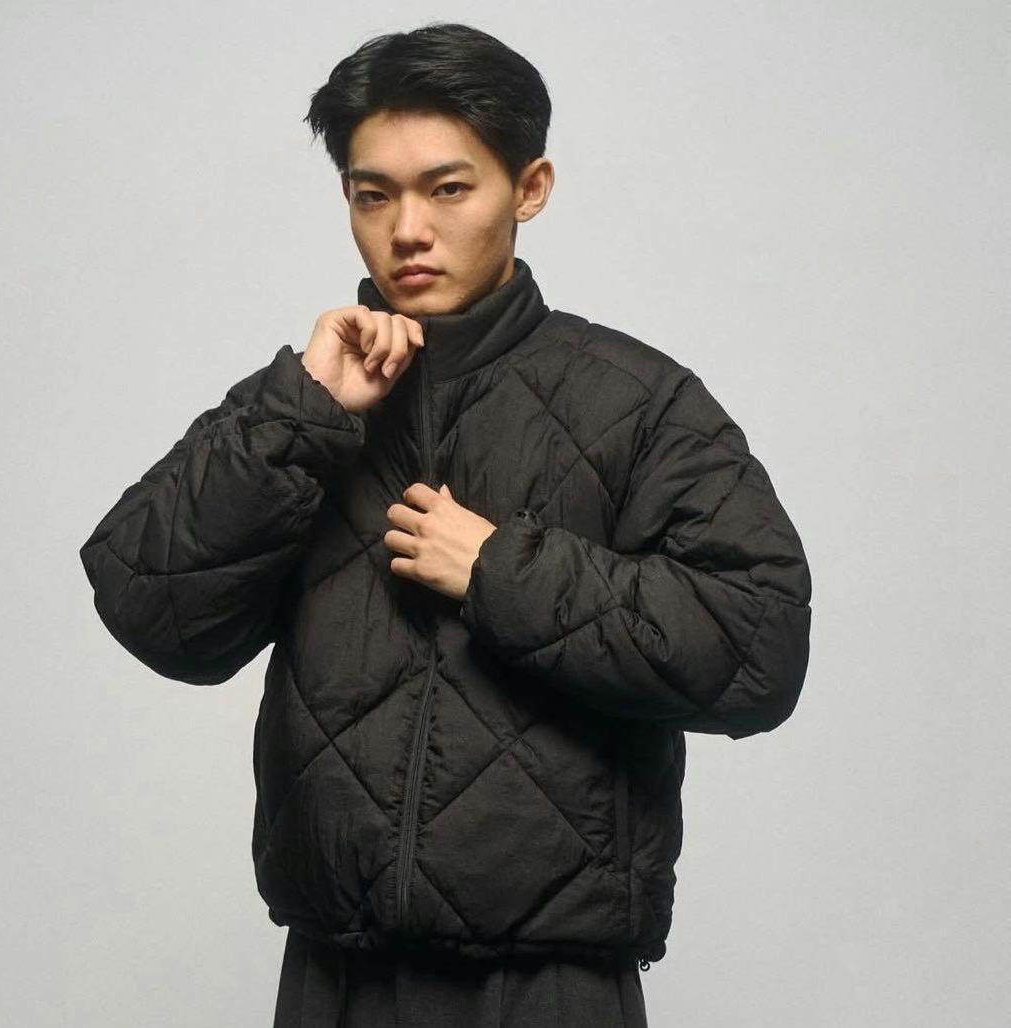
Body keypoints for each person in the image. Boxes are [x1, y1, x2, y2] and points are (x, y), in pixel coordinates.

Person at [78, 21, 812, 1028]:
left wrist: (501, 569)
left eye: (448, 189)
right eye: (373, 195)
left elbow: (759, 648)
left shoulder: (637, 402)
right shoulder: (303, 405)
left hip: (551, 987)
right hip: (335, 981)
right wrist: (299, 418)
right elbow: (154, 612)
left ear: (529, 188)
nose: (407, 230)